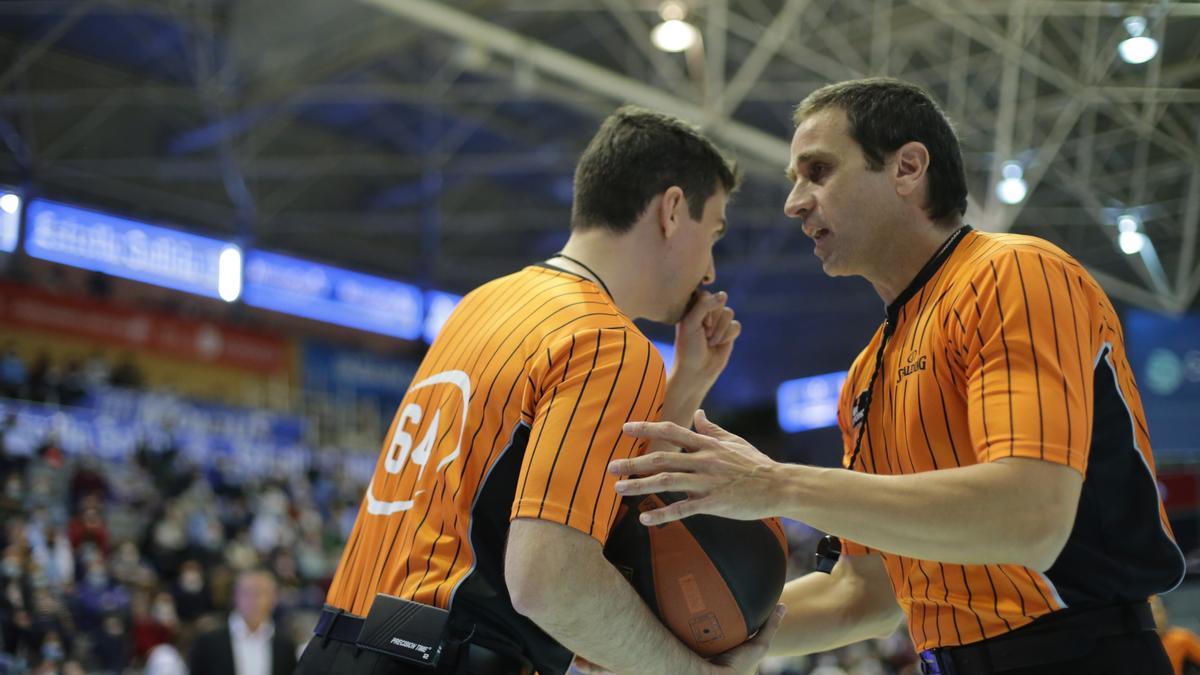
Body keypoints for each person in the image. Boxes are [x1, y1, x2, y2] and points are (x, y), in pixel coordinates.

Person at [611, 78, 1184, 675]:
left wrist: (775, 484)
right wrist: (640, 635)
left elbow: (1030, 516)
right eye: (794, 180)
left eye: (818, 170)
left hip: (1082, 654)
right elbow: (862, 596)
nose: (794, 202)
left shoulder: (1014, 273)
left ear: (908, 167)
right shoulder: (865, 376)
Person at [295, 106, 782, 675]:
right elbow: (549, 581)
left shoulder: (480, 305)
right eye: (714, 232)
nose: (709, 270)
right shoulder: (608, 340)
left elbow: (530, 490)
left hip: (341, 644)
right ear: (673, 211)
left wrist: (689, 382)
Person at [188, 568, 297, 675]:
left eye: (261, 593)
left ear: (274, 598)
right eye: (247, 592)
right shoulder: (208, 643)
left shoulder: (285, 645)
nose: (254, 600)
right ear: (235, 596)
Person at [1151, 595, 1200, 675]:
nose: (1153, 617)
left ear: (1165, 612)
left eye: (1156, 611)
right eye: (1150, 613)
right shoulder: (1136, 643)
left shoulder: (1181, 638)